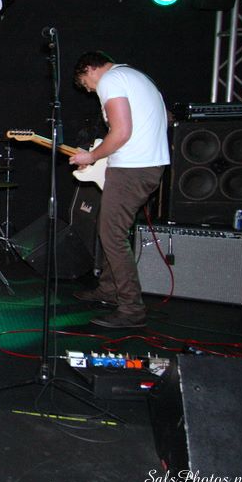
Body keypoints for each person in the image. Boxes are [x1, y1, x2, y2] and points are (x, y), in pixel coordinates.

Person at [69, 52, 169, 329]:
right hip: (145, 166)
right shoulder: (136, 77)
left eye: (86, 84)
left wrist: (91, 156)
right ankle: (109, 289)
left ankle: (131, 308)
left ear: (89, 69)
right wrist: (99, 158)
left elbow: (122, 131)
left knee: (112, 235)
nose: (90, 91)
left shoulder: (111, 80)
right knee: (111, 230)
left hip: (132, 170)